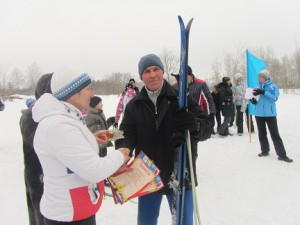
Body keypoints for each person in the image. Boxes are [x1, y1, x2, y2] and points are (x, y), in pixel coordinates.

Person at [115, 54, 211, 225]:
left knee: (184, 221)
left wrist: (194, 124)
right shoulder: (135, 104)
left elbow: (206, 128)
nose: (152, 75)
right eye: (147, 71)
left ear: (162, 71)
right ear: (141, 76)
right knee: (146, 221)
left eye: (156, 69)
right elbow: (126, 133)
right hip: (147, 174)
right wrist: (124, 148)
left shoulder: (181, 99)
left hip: (180, 171)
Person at [32, 67, 131, 224]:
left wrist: (89, 138)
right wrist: (120, 154)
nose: (92, 94)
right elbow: (94, 170)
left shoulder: (64, 119)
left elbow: (69, 156)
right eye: (88, 89)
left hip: (76, 209)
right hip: (68, 215)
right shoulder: (59, 125)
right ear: (72, 93)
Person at [19, 73, 53, 225]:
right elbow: (40, 143)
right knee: (40, 218)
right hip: (38, 178)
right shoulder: (31, 116)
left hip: (50, 178)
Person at [250, 69, 293, 163]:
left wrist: (264, 92)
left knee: (274, 134)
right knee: (262, 133)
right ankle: (265, 150)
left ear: (265, 77)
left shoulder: (273, 86)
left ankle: (282, 154)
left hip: (270, 114)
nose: (258, 78)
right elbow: (255, 98)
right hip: (258, 113)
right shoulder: (257, 87)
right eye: (258, 76)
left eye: (260, 77)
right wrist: (253, 101)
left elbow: (275, 98)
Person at [186, 66, 216, 135]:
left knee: (193, 139)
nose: (186, 79)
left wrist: (211, 114)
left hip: (197, 116)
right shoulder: (176, 86)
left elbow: (208, 100)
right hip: (183, 117)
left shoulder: (200, 84)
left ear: (191, 75)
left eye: (187, 76)